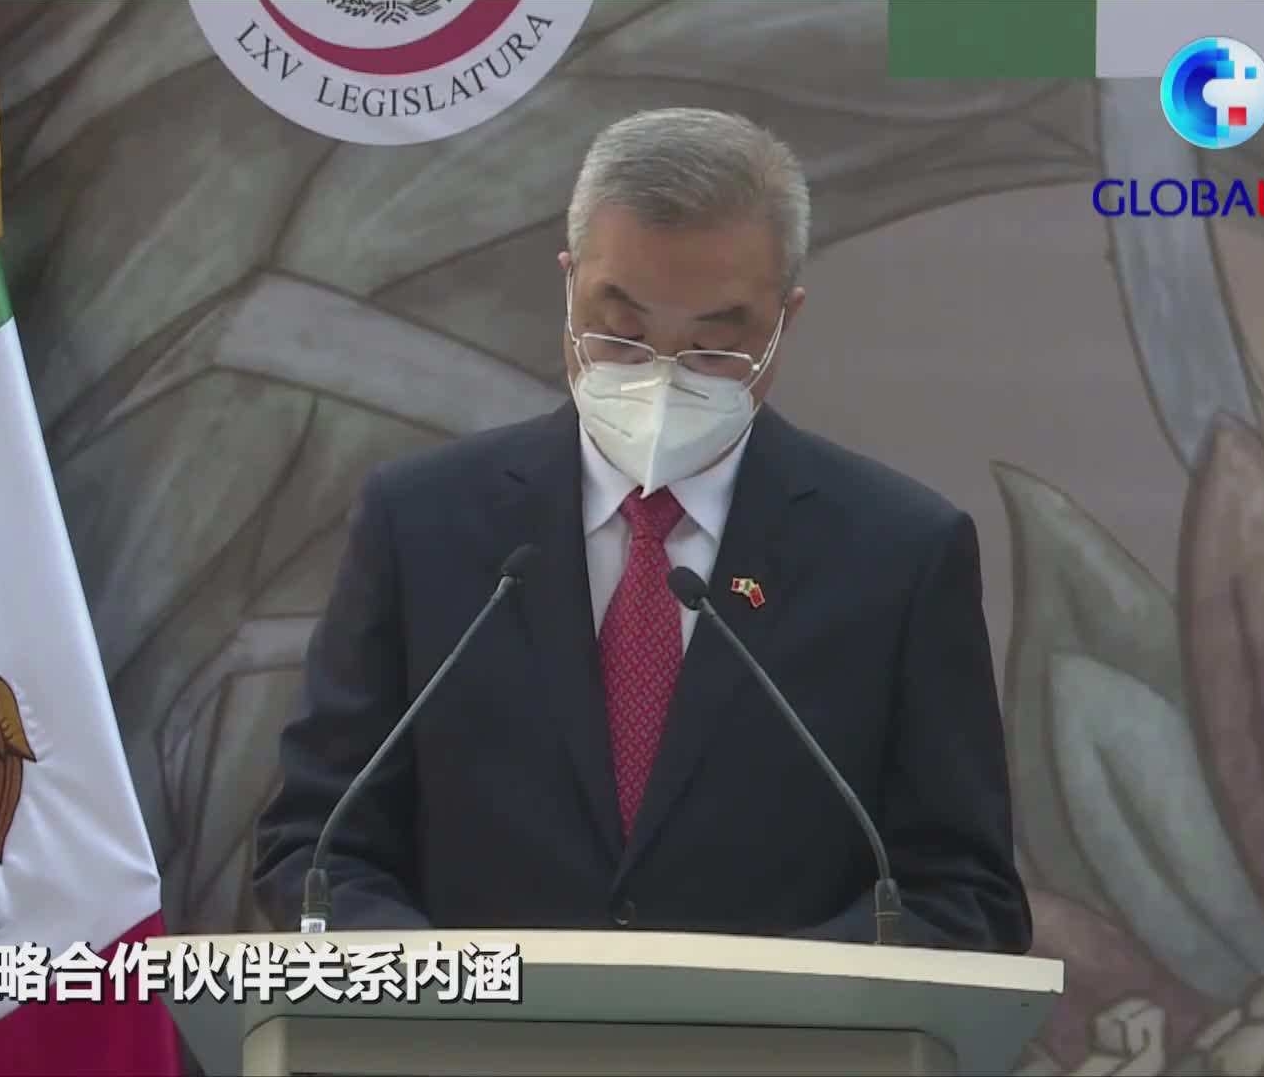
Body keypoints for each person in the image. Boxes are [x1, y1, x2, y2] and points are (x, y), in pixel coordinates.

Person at [252, 108, 1031, 953]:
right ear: (568, 283)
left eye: (713, 346)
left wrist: (777, 999)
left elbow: (963, 895)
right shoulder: (421, 523)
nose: (661, 376)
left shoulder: (898, 555)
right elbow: (317, 849)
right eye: (621, 333)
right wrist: (451, 992)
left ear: (785, 320)